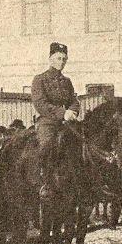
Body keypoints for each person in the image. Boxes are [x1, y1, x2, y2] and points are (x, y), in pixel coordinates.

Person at [31, 42, 80, 199]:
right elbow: (40, 103)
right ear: (50, 59)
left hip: (67, 122)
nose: (61, 62)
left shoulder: (67, 81)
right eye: (58, 58)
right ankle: (44, 181)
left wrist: (72, 110)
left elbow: (74, 100)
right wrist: (62, 113)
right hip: (48, 121)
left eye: (64, 59)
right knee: (46, 145)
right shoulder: (40, 79)